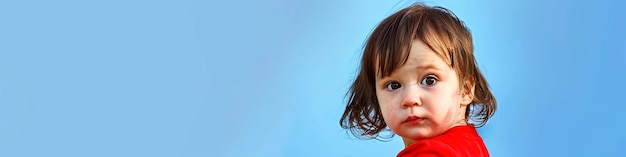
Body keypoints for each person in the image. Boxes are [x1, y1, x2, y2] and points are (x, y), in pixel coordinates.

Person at [340, 3, 497, 157]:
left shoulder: (428, 153)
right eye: (394, 85)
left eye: (429, 80)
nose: (410, 99)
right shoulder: (471, 145)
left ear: (465, 90)